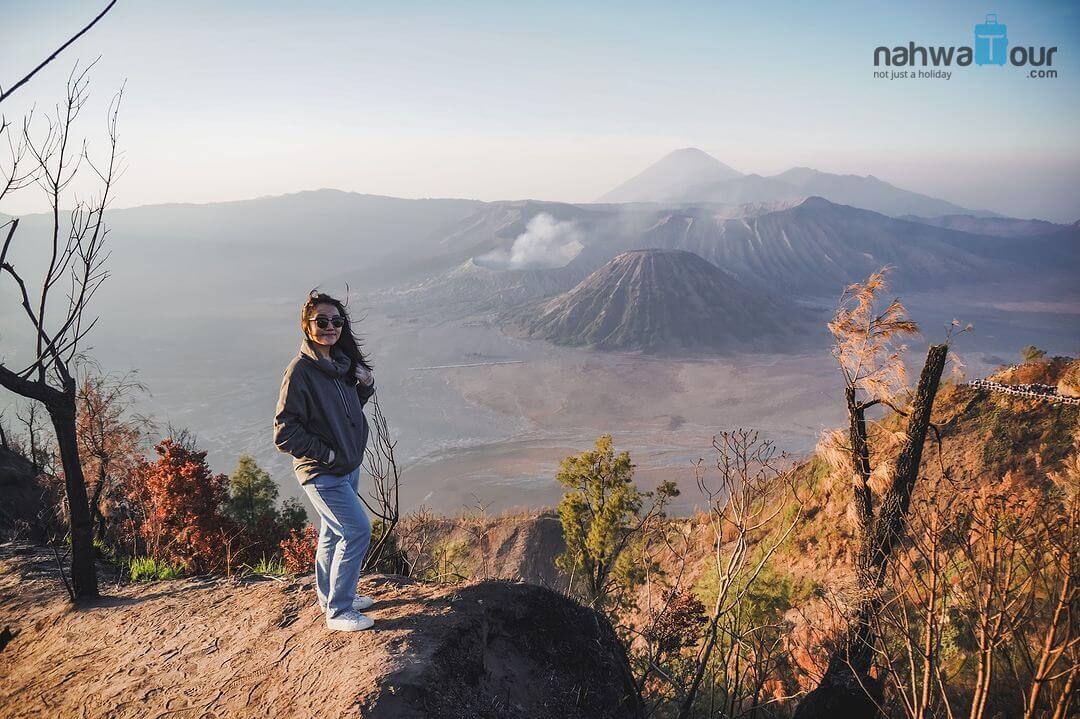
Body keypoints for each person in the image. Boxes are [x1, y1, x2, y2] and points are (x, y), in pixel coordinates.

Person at [273, 290, 377, 631]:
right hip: (322, 471)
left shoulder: (339, 364)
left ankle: (330, 596)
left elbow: (343, 412)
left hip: (347, 466)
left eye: (336, 321)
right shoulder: (301, 371)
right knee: (358, 530)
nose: (330, 327)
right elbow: (285, 432)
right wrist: (327, 454)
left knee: (333, 533)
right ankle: (339, 610)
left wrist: (365, 386)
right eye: (322, 321)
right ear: (306, 326)